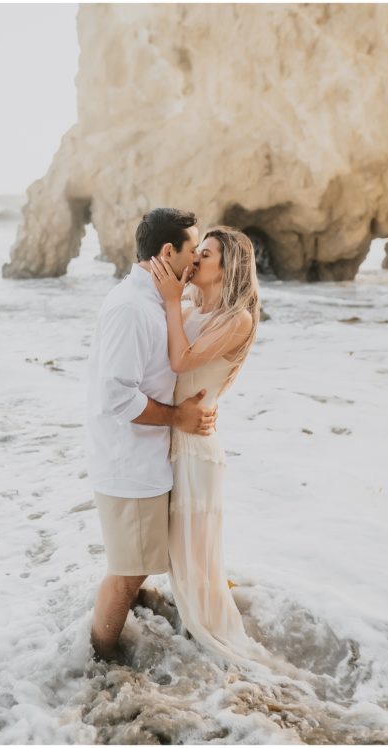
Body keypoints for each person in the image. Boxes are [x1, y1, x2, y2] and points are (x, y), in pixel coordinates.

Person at [85, 208, 217, 662]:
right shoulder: (131, 308)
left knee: (137, 565)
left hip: (145, 460)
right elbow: (117, 398)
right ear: (167, 251)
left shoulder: (155, 301)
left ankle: (126, 623)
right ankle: (101, 662)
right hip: (129, 464)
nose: (196, 261)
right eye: (193, 251)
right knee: (126, 574)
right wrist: (179, 418)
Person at [149, 226, 271, 667]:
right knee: (174, 556)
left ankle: (208, 655)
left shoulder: (237, 320)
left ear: (229, 265)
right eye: (196, 251)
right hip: (168, 439)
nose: (196, 258)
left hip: (196, 451)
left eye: (207, 253)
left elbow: (181, 361)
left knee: (195, 560)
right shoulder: (187, 306)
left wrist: (169, 301)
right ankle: (182, 639)